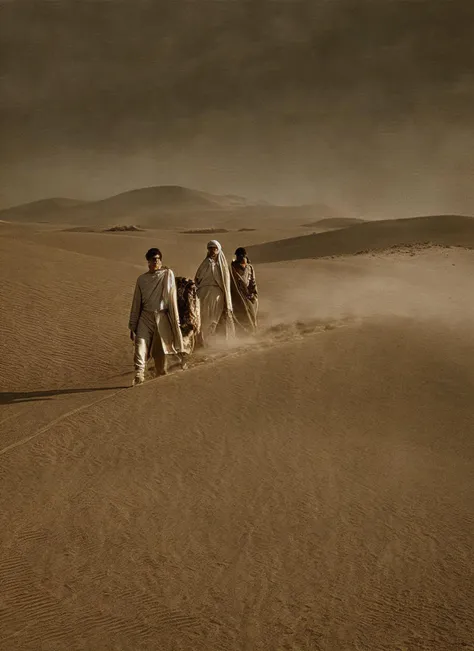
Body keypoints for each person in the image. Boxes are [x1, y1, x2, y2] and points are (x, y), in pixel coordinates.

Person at [128, 248, 184, 385]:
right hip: (145, 317)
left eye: (158, 259)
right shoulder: (141, 279)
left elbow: (171, 298)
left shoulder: (167, 274)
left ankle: (160, 375)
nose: (156, 261)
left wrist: (174, 320)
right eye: (153, 259)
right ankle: (139, 374)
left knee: (160, 349)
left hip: (162, 316)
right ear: (148, 261)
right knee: (140, 344)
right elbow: (136, 302)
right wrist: (133, 324)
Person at [194, 240, 235, 346]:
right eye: (210, 248)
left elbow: (225, 282)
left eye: (214, 248)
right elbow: (198, 278)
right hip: (203, 294)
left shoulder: (222, 265)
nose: (212, 251)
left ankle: (212, 341)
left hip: (217, 293)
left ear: (218, 250)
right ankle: (202, 341)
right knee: (203, 317)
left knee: (213, 318)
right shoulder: (205, 263)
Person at [230, 247, 258, 335]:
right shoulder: (232, 268)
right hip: (236, 296)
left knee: (252, 314)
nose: (241, 257)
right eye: (239, 256)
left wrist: (253, 294)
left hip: (248, 295)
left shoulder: (249, 268)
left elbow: (252, 282)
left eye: (242, 255)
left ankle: (252, 331)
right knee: (239, 315)